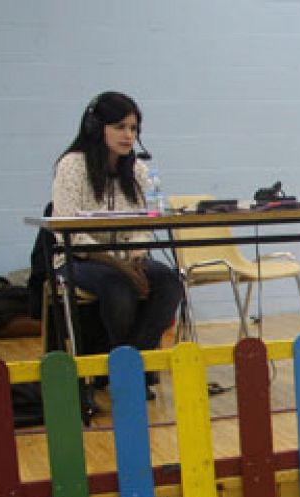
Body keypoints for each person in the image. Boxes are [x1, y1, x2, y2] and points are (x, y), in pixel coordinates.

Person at [49, 91, 184, 360]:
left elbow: (143, 224)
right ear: (97, 128)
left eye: (133, 128)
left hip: (127, 259)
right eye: (120, 127)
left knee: (170, 283)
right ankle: (126, 366)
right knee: (118, 286)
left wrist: (137, 257)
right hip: (80, 259)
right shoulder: (72, 166)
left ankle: (131, 363)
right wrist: (121, 266)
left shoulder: (137, 170)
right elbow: (70, 233)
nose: (128, 135)